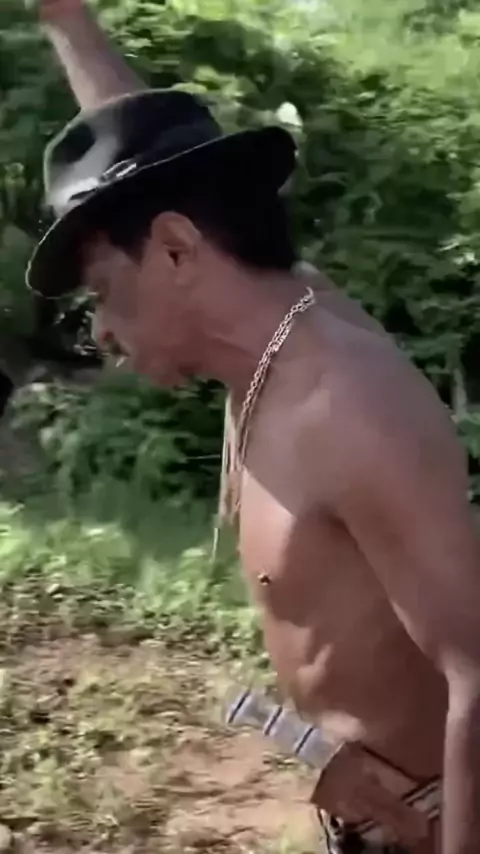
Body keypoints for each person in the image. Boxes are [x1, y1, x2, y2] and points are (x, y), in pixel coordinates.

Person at [25, 2, 480, 852]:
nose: (103, 333)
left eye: (102, 295)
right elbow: (142, 163)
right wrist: (66, 19)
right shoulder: (271, 333)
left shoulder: (345, 407)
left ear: (174, 249)